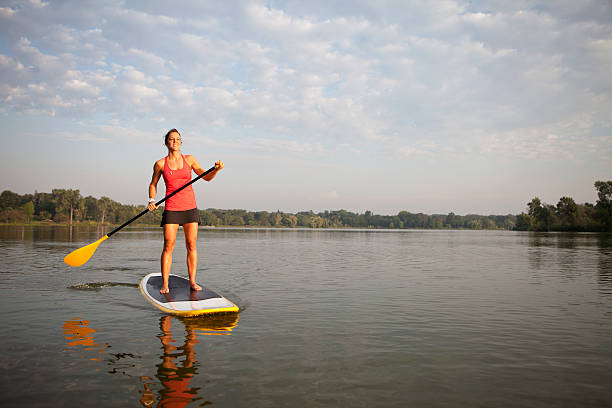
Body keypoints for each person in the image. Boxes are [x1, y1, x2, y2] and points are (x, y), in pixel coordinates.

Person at [148, 129, 223, 294]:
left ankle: (193, 282)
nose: (175, 141)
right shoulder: (160, 164)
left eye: (178, 139)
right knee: (168, 245)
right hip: (172, 209)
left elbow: (206, 177)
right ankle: (165, 284)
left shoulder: (190, 160)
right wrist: (152, 200)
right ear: (166, 142)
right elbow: (153, 184)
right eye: (172, 139)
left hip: (190, 208)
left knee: (191, 245)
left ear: (181, 143)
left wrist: (216, 170)